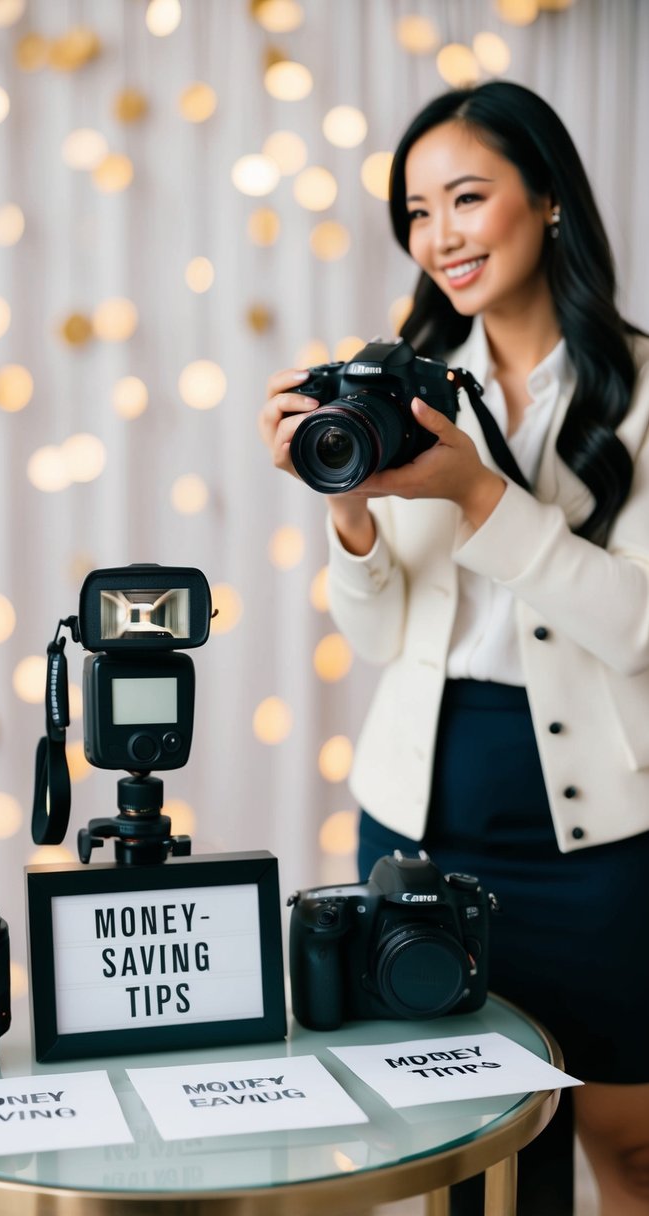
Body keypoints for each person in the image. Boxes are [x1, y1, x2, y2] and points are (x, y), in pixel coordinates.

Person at [259, 80, 649, 1216]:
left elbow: (634, 628)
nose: (440, 238)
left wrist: (479, 493)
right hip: (419, 820)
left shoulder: (637, 392)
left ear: (548, 199)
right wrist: (347, 510)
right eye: (417, 214)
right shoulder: (406, 389)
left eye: (466, 198)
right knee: (466, 1162)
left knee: (626, 1152)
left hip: (604, 840)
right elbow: (379, 631)